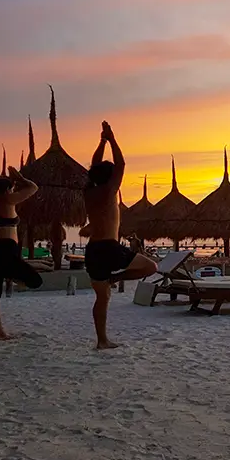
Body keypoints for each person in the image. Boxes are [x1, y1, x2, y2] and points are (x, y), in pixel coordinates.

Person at [84, 121, 156, 349]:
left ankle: (102, 340)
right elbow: (121, 163)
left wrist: (102, 141)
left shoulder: (89, 191)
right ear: (110, 177)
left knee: (102, 298)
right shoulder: (108, 190)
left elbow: (94, 166)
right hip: (108, 247)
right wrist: (112, 138)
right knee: (150, 267)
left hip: (93, 249)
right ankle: (118, 278)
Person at [0, 166, 43, 340]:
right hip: (5, 250)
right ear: (8, 189)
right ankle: (13, 277)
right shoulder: (8, 200)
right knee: (36, 281)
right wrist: (21, 178)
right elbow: (33, 188)